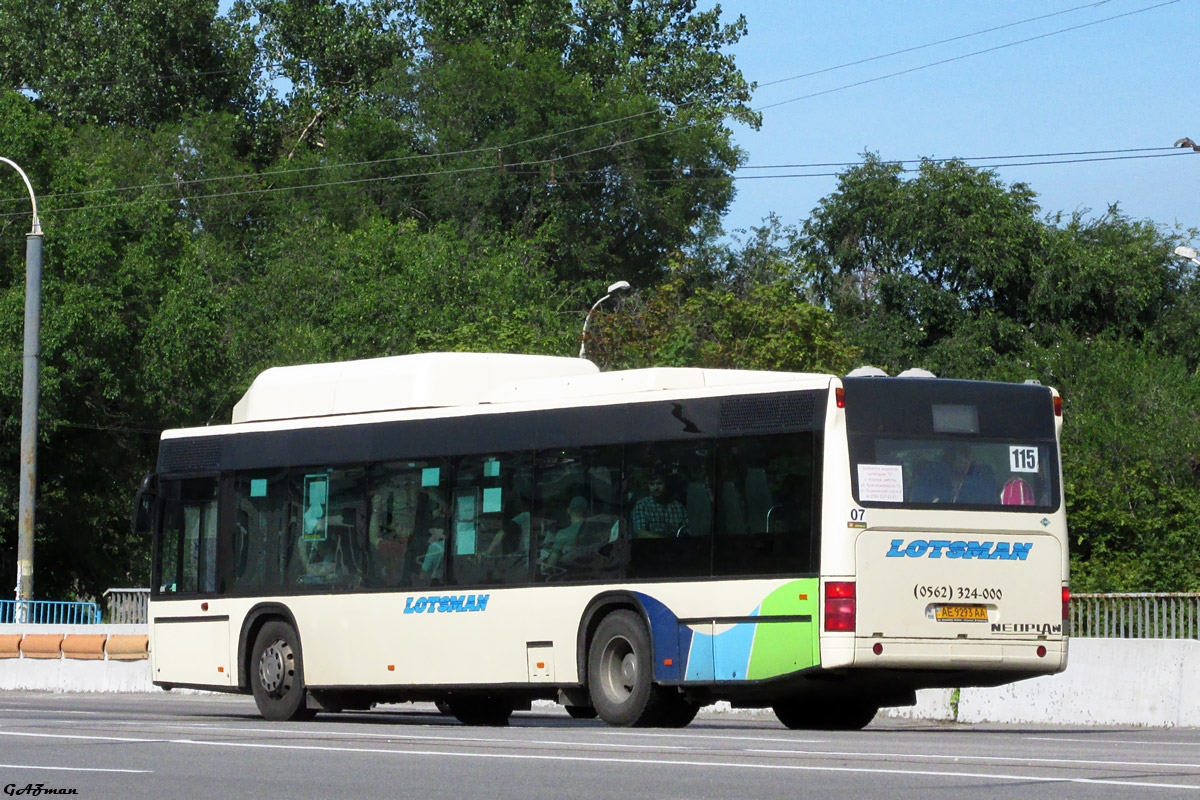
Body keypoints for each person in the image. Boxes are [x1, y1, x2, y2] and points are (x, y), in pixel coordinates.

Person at [911, 444, 995, 504]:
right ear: (951, 458)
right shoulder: (932, 484)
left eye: (968, 457)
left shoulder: (977, 487)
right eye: (964, 456)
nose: (968, 461)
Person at [632, 472, 687, 538]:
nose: (656, 488)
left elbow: (686, 529)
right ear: (648, 486)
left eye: (659, 483)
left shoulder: (677, 506)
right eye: (652, 484)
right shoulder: (642, 505)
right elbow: (641, 532)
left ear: (666, 484)